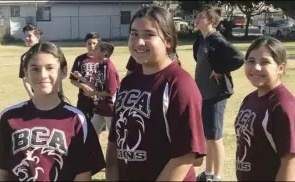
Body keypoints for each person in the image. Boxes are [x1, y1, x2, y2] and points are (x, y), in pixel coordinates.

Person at [0, 42, 105, 181]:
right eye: (35, 69)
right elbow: (2, 174)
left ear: (63, 72)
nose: (42, 75)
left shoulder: (77, 120)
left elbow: (82, 175)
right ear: (26, 73)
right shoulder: (9, 117)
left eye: (50, 68)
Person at [106, 6, 206, 181]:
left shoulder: (179, 84)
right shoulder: (128, 83)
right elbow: (115, 142)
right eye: (134, 34)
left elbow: (186, 155)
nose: (139, 42)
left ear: (167, 40)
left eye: (149, 35)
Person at [235, 36, 295, 181]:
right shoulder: (250, 99)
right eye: (251, 61)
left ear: (280, 68)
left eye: (265, 62)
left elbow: (292, 161)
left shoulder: (283, 105)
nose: (256, 67)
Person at [193, 5, 245, 181]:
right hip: (203, 94)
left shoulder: (217, 40)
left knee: (215, 136)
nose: (197, 19)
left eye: (200, 16)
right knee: (208, 136)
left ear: (211, 21)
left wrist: (220, 70)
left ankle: (217, 176)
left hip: (216, 94)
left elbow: (238, 58)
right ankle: (207, 173)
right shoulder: (200, 40)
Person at [72, 41, 120, 137]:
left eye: (97, 49)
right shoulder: (100, 66)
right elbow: (95, 85)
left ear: (104, 53)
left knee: (114, 138)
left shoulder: (109, 68)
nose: (94, 50)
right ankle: (91, 152)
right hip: (100, 107)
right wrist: (81, 78)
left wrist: (93, 93)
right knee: (92, 134)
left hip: (110, 109)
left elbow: (111, 92)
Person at [69, 32, 101, 121]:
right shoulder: (80, 59)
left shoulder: (102, 59)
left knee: (98, 127)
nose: (92, 46)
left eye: (94, 43)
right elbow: (73, 80)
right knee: (83, 122)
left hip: (99, 98)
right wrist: (83, 86)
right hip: (84, 98)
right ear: (85, 44)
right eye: (89, 43)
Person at [19, 24, 43, 98]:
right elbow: (25, 78)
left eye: (29, 36)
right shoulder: (24, 57)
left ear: (37, 37)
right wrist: (31, 95)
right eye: (25, 36)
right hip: (35, 96)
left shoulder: (48, 53)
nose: (26, 38)